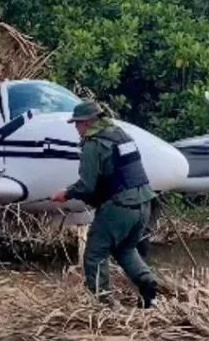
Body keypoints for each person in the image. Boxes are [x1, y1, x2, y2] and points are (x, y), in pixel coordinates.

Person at [50, 101, 159, 308]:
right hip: (145, 203)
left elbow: (86, 186)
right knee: (125, 249)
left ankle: (101, 304)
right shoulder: (120, 135)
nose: (76, 128)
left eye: (78, 124)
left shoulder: (93, 144)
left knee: (94, 254)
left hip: (120, 207)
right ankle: (148, 285)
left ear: (88, 122)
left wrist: (65, 194)